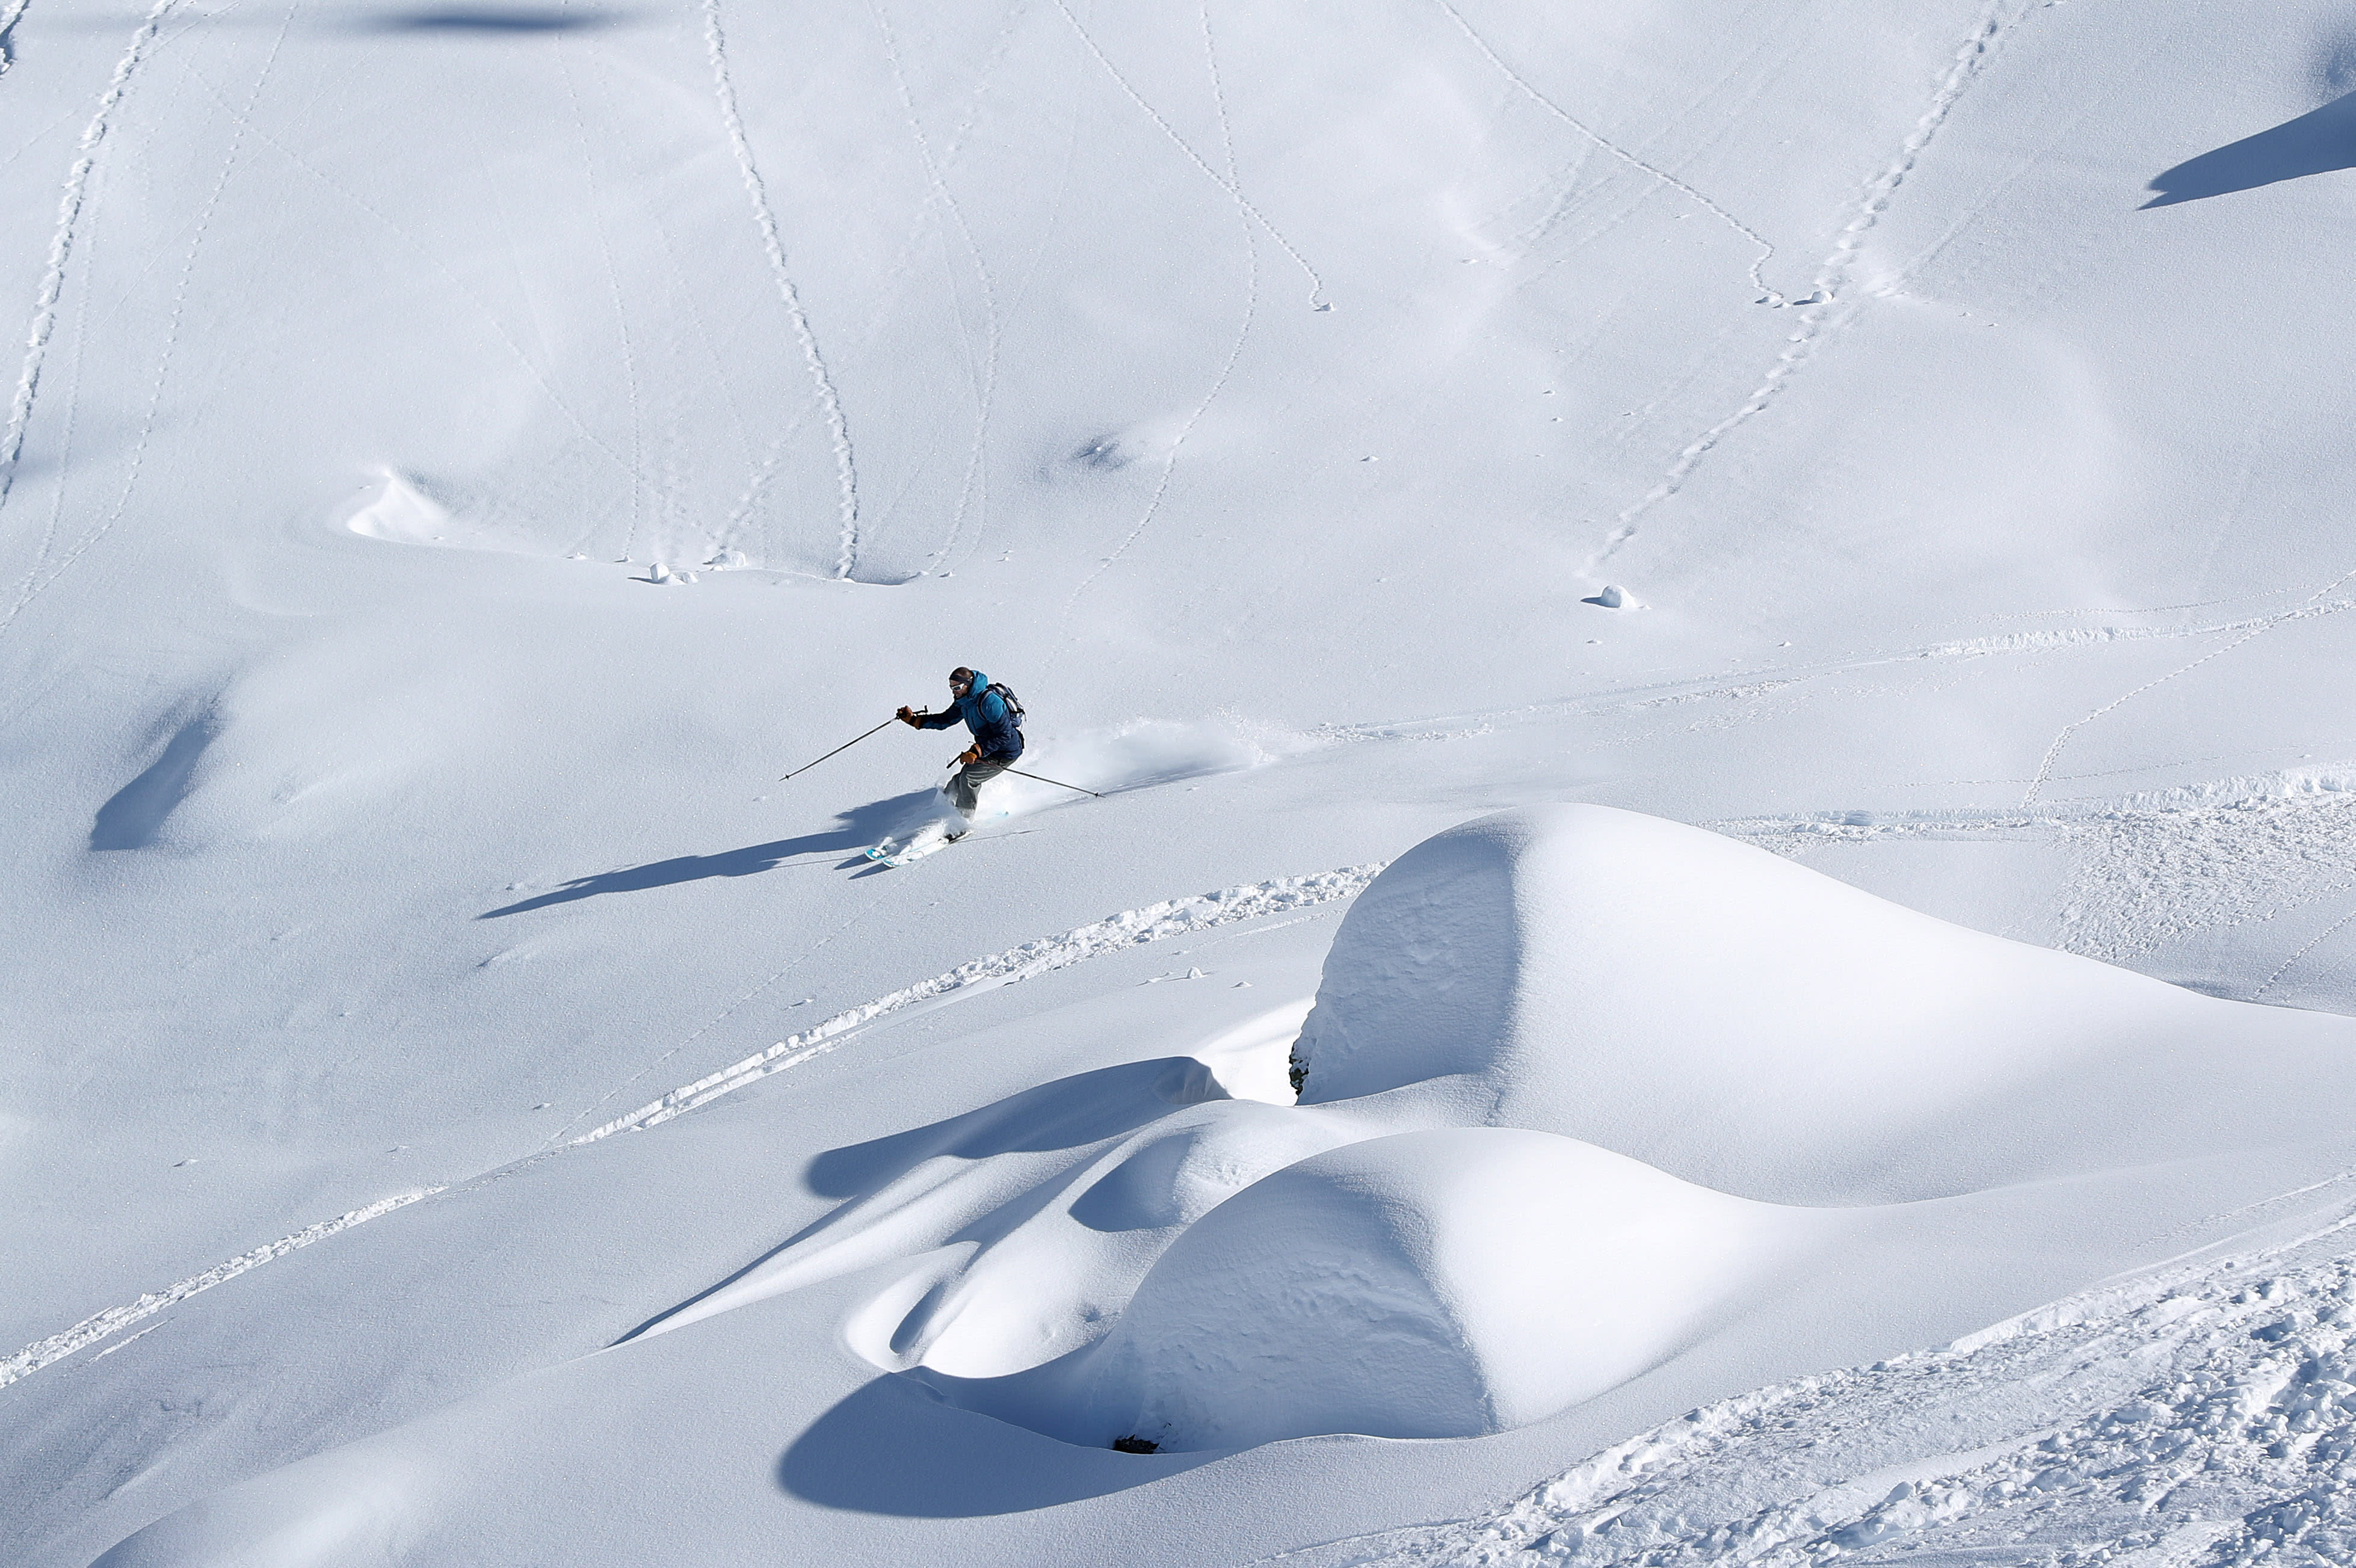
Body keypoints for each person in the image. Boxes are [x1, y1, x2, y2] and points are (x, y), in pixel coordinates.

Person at [898, 666, 1022, 834]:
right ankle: (943, 809)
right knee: (957, 781)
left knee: (969, 779)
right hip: (986, 749)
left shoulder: (990, 703)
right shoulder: (964, 701)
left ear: (968, 685)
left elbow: (1004, 735)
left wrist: (977, 751)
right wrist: (915, 720)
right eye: (951, 687)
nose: (954, 691)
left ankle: (963, 821)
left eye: (957, 687)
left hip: (1005, 752)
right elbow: (945, 719)